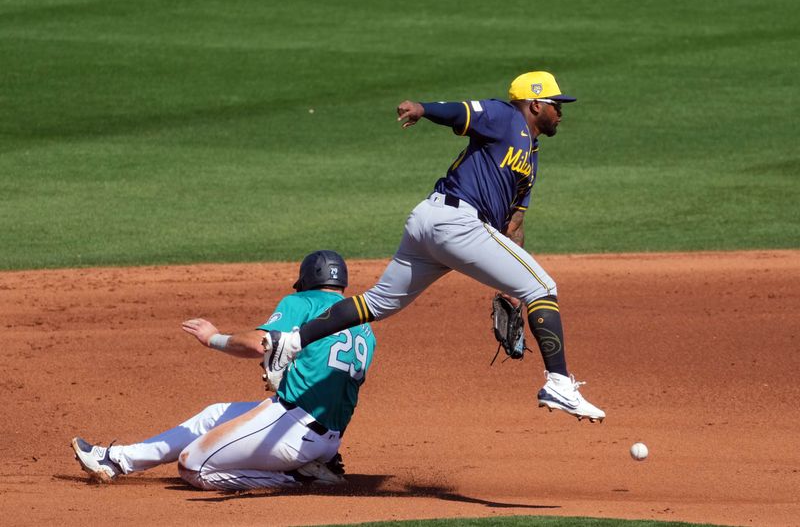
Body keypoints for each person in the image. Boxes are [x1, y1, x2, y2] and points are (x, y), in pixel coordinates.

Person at [265, 72, 605, 422]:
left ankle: (291, 342)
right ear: (535, 104)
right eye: (555, 105)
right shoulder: (506, 118)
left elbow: (512, 226)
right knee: (544, 287)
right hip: (454, 223)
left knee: (378, 303)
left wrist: (511, 287)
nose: (561, 112)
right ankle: (559, 382)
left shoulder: (529, 159)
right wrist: (422, 109)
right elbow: (462, 112)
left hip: (432, 223)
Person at [71, 250, 378, 490]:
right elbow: (334, 384)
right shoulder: (363, 329)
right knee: (213, 414)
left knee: (193, 466)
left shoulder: (303, 302)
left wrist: (213, 339)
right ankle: (115, 460)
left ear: (308, 280)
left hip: (292, 428)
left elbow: (260, 344)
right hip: (325, 437)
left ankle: (297, 478)